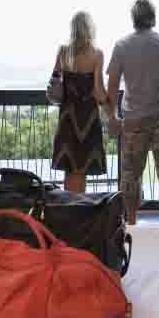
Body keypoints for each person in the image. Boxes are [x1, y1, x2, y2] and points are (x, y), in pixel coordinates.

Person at [106, 0, 159, 226]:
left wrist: (112, 117)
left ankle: (132, 222)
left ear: (133, 18)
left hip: (133, 121)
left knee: (130, 175)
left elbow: (112, 88)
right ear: (153, 16)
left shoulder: (121, 46)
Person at [51, 11, 108, 193]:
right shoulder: (97, 55)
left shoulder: (63, 51)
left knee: (70, 168)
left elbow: (54, 82)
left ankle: (68, 213)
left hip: (67, 117)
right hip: (88, 119)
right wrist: (109, 101)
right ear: (90, 29)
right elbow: (99, 93)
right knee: (82, 169)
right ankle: (79, 213)